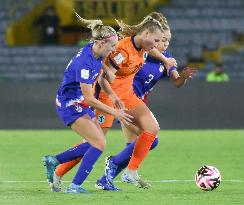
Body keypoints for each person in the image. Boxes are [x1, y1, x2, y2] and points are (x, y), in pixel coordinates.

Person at [51, 12, 196, 191]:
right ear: (147, 35)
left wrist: (167, 61)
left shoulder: (145, 46)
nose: (160, 45)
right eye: (158, 41)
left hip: (127, 95)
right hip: (108, 96)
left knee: (152, 132)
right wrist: (110, 89)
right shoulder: (123, 50)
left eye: (164, 41)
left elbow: (155, 54)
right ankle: (59, 172)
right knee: (94, 143)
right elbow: (104, 77)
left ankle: (129, 172)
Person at [42, 13, 133, 194]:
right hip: (69, 104)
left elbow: (98, 78)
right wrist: (115, 112)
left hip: (79, 102)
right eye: (112, 45)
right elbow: (90, 98)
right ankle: (74, 186)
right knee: (98, 144)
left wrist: (113, 96)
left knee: (95, 142)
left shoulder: (95, 53)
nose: (114, 49)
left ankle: (54, 160)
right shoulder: (85, 62)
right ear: (101, 43)